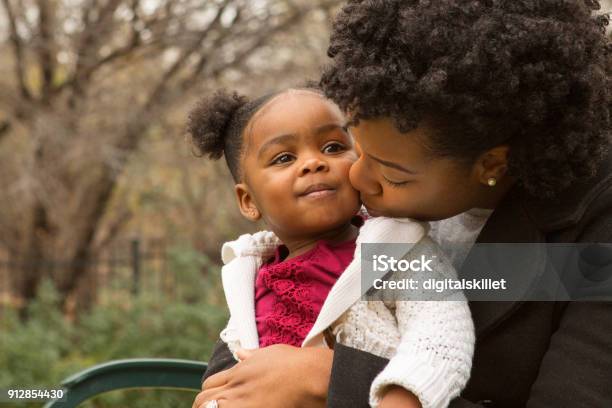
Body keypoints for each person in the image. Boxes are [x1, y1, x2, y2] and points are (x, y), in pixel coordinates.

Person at [195, 0, 612, 407]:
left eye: (391, 172)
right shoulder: (360, 208)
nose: (355, 178)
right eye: (357, 148)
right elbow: (259, 321)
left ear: (491, 163)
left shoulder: (594, 233)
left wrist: (333, 380)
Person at [188, 87, 475, 408]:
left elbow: (441, 337)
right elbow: (223, 386)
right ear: (248, 200)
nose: (313, 162)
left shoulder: (399, 249)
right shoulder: (251, 277)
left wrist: (400, 399)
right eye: (284, 157)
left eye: (333, 147)